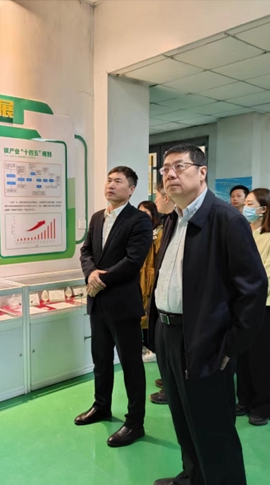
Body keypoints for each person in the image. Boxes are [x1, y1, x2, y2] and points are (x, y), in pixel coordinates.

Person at [148, 144, 267, 485]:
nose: (170, 174)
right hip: (169, 334)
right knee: (183, 417)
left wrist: (231, 345)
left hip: (206, 339)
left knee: (213, 425)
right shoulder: (174, 218)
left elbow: (252, 288)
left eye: (179, 166)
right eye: (165, 169)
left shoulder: (225, 219)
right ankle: (193, 477)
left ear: (202, 172)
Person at [77, 166, 152, 447]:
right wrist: (90, 274)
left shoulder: (139, 220)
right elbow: (86, 251)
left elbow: (133, 260)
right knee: (101, 359)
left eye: (118, 181)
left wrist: (100, 280)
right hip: (97, 302)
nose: (110, 185)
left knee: (131, 364)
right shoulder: (98, 217)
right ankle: (101, 406)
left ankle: (135, 422)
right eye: (108, 180)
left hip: (123, 304)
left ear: (131, 189)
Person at [235, 188, 270, 426]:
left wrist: (240, 292)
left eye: (249, 203)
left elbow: (268, 277)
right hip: (238, 304)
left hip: (263, 306)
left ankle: (264, 406)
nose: (244, 207)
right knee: (242, 356)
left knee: (261, 358)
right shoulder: (241, 234)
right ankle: (244, 400)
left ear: (263, 209)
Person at [149, 179, 175, 405]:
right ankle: (168, 381)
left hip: (179, 311)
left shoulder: (177, 223)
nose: (155, 201)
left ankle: (171, 387)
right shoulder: (170, 223)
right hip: (162, 305)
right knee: (164, 351)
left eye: (157, 196)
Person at [138, 200, 163, 364]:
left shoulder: (159, 232)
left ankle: (151, 347)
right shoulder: (138, 231)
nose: (142, 215)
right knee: (141, 313)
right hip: (139, 278)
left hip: (151, 279)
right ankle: (145, 345)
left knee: (149, 313)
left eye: (146, 212)